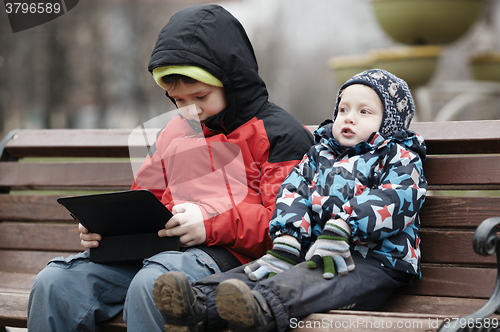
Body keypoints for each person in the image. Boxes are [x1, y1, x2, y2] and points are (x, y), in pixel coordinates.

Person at [27, 4, 313, 332]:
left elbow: (287, 226)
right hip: (160, 251)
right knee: (55, 284)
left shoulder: (280, 133)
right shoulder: (175, 131)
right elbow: (146, 199)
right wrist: (110, 230)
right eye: (178, 101)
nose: (190, 110)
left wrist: (209, 225)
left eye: (200, 96)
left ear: (231, 81)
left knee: (154, 284)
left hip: (231, 259)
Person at [152, 69, 428, 332]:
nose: (349, 118)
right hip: (315, 251)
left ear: (389, 122)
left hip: (374, 260)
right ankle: (198, 303)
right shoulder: (320, 155)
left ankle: (261, 309)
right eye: (343, 110)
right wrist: (289, 236)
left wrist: (345, 226)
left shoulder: (399, 157)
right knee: (264, 269)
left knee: (309, 279)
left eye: (364, 112)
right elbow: (293, 193)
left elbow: (394, 198)